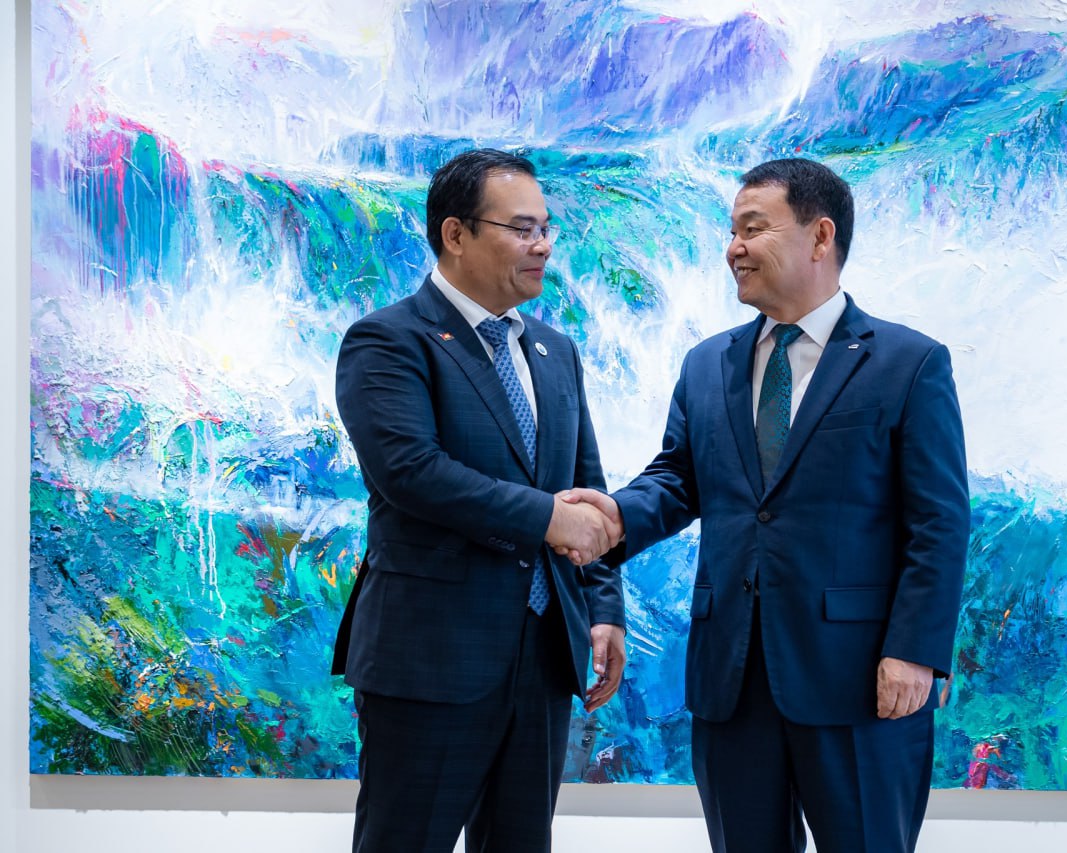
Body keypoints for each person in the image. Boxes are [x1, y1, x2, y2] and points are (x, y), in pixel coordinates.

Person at [562, 158, 969, 852]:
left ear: (820, 237)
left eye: (753, 229)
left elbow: (939, 521)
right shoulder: (706, 364)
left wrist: (914, 651)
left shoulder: (909, 362)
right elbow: (680, 478)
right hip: (731, 680)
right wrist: (616, 518)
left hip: (858, 679)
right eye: (732, 231)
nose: (734, 248)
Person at [332, 148, 626, 853]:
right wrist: (550, 518)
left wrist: (605, 608)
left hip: (544, 659)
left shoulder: (556, 351)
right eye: (522, 229)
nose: (543, 245)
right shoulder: (389, 340)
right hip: (431, 658)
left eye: (546, 228)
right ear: (455, 233)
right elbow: (413, 472)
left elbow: (587, 487)